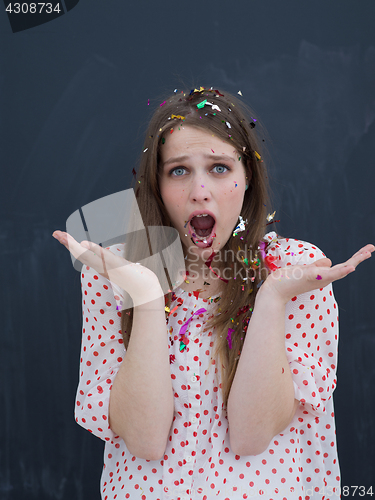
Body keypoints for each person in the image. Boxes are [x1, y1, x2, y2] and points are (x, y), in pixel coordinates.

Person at [52, 86, 374, 500]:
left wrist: (273, 298)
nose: (199, 191)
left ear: (246, 180)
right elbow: (145, 440)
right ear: (158, 186)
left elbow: (250, 437)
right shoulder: (115, 273)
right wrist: (148, 296)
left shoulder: (296, 269)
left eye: (219, 168)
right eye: (179, 170)